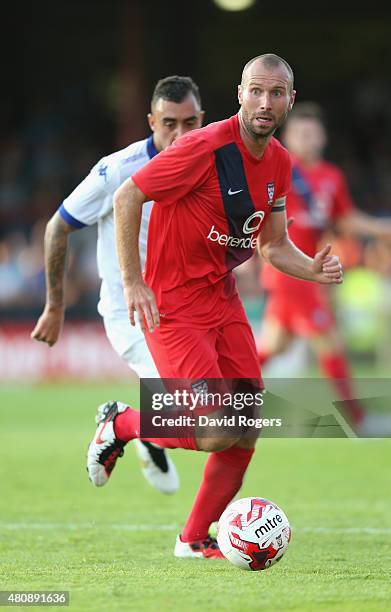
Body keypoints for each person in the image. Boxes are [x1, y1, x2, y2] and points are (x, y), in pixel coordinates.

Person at [89, 53, 343, 560]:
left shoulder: (280, 162)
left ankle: (194, 539)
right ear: (240, 93)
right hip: (175, 305)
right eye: (256, 91)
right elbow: (127, 197)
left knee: (247, 427)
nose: (265, 102)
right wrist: (133, 282)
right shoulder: (204, 146)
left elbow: (272, 246)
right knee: (215, 430)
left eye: (276, 93)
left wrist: (311, 269)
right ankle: (120, 425)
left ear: (289, 100)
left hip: (222, 301)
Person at [31, 75, 205, 493]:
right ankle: (123, 424)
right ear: (150, 121)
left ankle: (144, 430)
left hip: (187, 309)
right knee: (202, 421)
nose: (180, 135)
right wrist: (55, 305)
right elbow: (58, 226)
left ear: (203, 119)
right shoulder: (118, 170)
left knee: (223, 413)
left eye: (190, 122)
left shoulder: (210, 162)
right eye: (169, 123)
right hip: (132, 312)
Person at [256, 101, 391, 435]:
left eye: (313, 133)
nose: (307, 139)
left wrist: (382, 229)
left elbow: (344, 219)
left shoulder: (331, 176)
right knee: (329, 342)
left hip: (307, 270)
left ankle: (218, 402)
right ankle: (359, 421)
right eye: (300, 133)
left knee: (275, 346)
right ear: (287, 137)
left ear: (323, 137)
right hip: (289, 271)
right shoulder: (278, 169)